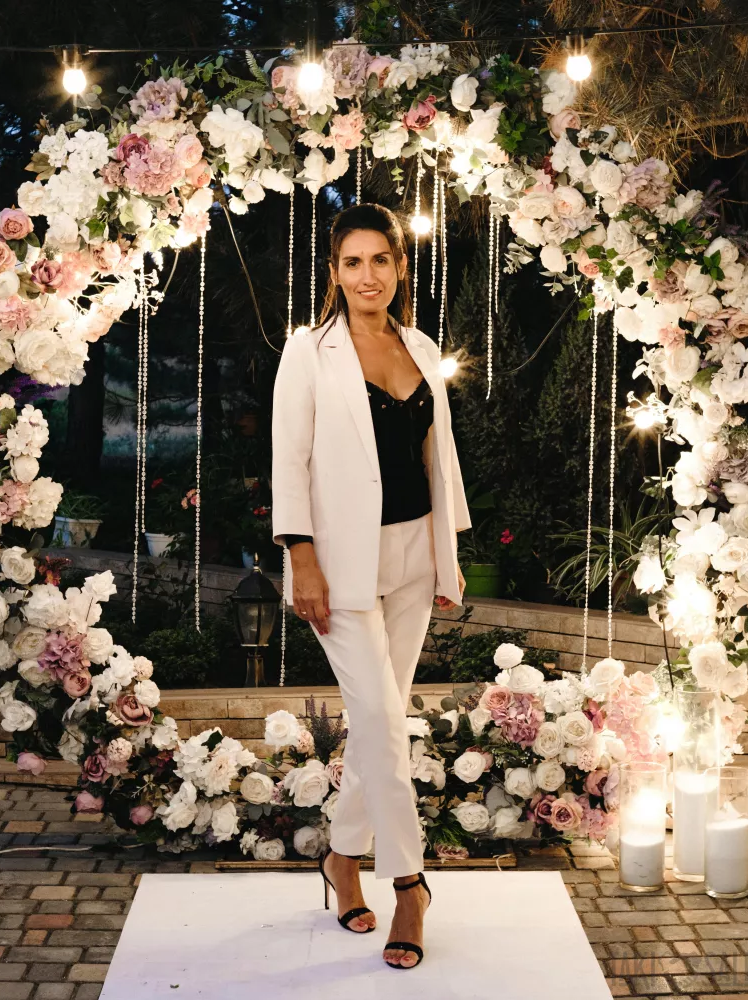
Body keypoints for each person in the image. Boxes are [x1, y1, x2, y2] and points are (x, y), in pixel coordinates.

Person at [271, 202, 471, 970]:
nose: (367, 276)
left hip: (415, 557)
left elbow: (437, 458)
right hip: (340, 567)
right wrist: (301, 557)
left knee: (377, 725)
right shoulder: (309, 352)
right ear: (334, 271)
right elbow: (290, 460)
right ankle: (411, 885)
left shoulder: (419, 346)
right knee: (384, 722)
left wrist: (446, 554)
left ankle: (342, 857)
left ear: (399, 266)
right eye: (352, 262)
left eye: (379, 260)